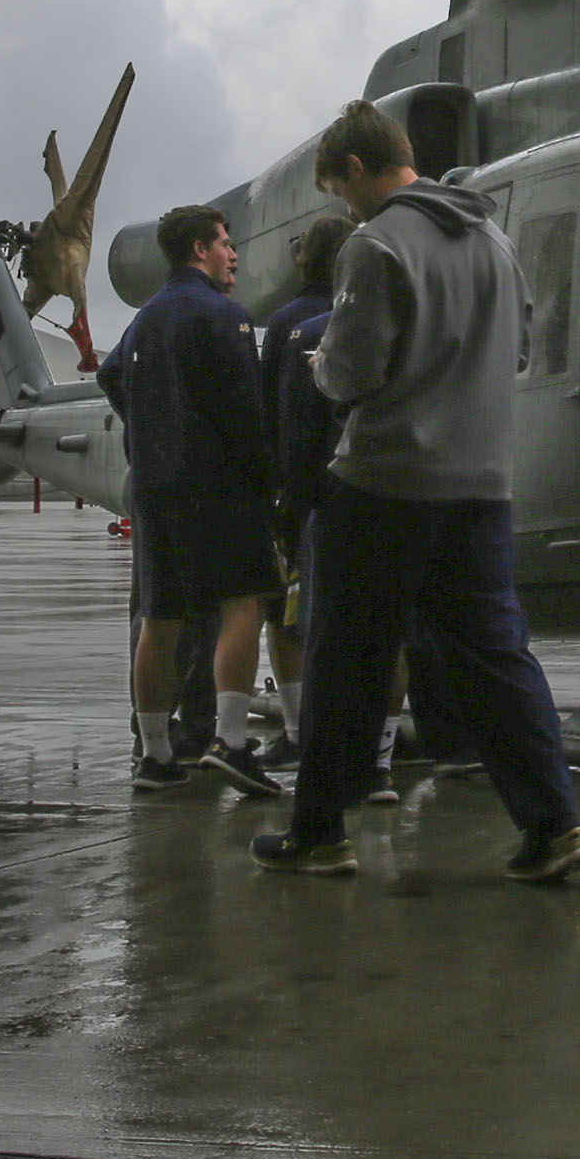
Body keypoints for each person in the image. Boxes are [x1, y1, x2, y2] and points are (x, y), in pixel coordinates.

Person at [250, 101, 580, 885]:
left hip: (384, 484)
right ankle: (554, 824)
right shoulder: (493, 238)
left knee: (349, 659)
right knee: (496, 659)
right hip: (482, 486)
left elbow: (350, 371)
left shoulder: (375, 245)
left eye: (340, 191)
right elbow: (516, 350)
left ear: (357, 170)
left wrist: (316, 368)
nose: (345, 207)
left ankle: (320, 833)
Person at [102, 204, 286, 798]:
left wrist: (150, 427)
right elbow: (245, 411)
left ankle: (154, 754)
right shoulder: (223, 315)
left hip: (154, 488)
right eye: (226, 244)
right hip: (220, 486)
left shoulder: (144, 320)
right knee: (243, 605)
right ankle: (232, 743)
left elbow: (111, 377)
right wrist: (267, 481)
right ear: (201, 250)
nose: (234, 254)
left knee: (161, 617)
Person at [253, 213, 353, 768]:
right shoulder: (361, 313)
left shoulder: (284, 321)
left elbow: (267, 411)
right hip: (355, 488)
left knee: (283, 618)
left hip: (296, 491)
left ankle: (296, 728)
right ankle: (374, 738)